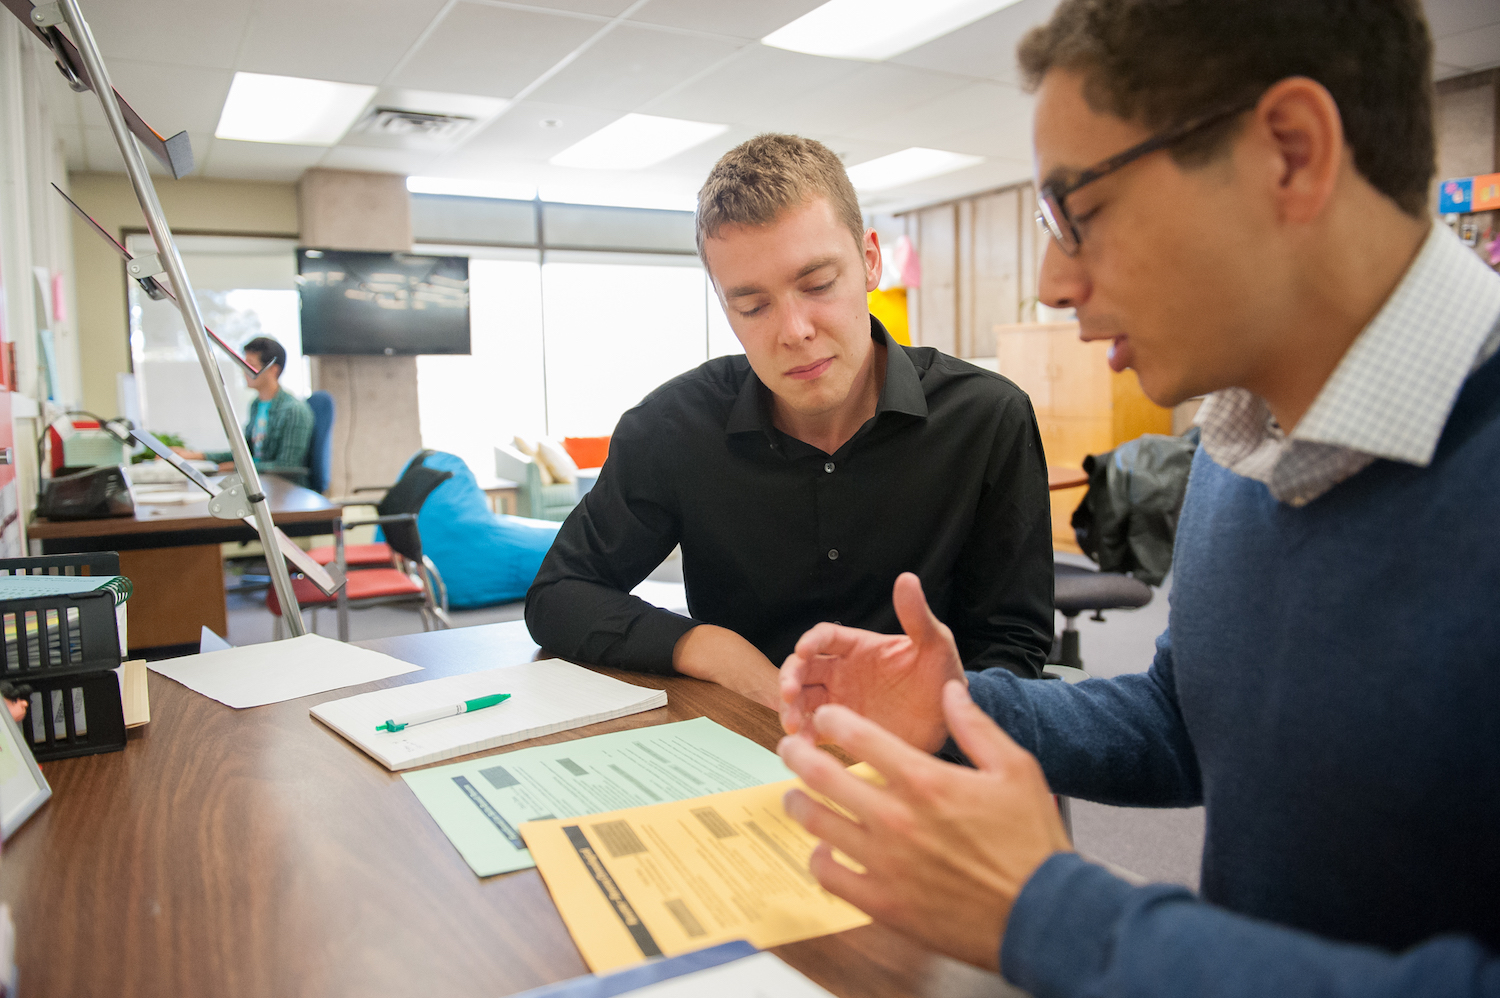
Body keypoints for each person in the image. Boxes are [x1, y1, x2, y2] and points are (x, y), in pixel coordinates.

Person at [774, 0, 1500, 994]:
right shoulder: (1241, 438)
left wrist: (1059, 915)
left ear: (1289, 153)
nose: (1050, 278)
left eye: (1081, 208)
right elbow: (1188, 715)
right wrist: (959, 700)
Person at [526, 134, 1054, 709]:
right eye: (753, 306)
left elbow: (1012, 647)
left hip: (928, 749)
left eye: (818, 284)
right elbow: (559, 594)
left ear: (870, 261)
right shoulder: (673, 427)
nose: (794, 330)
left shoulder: (987, 419)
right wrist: (711, 648)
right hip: (744, 741)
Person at [174, 336, 316, 487]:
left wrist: (233, 468)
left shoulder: (294, 411)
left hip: (284, 490)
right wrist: (195, 456)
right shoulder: (257, 405)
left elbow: (287, 466)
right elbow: (244, 453)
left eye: (250, 366)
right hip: (258, 484)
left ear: (273, 370)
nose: (244, 372)